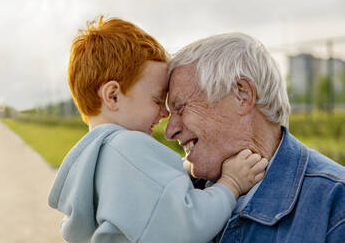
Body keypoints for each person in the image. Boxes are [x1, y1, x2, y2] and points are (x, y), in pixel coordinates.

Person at [48, 17, 268, 243]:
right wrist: (231, 183)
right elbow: (186, 223)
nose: (164, 114)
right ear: (113, 95)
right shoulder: (127, 147)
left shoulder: (94, 160)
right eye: (157, 100)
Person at [165, 32, 345, 242]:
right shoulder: (175, 193)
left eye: (181, 108)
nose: (170, 131)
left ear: (242, 95)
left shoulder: (336, 205)